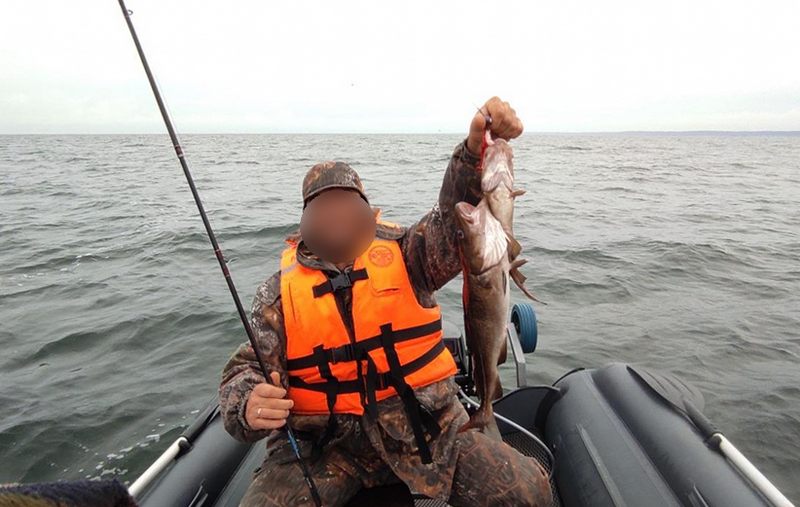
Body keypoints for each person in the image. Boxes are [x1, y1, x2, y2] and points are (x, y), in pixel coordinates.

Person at [218, 97, 552, 507]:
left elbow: (455, 220)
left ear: (367, 212)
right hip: (325, 449)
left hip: (428, 430)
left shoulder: (411, 254)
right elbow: (245, 370)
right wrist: (247, 403)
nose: (337, 218)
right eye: (323, 208)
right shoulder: (277, 295)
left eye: (347, 205)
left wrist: (472, 152)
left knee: (528, 493)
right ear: (305, 223)